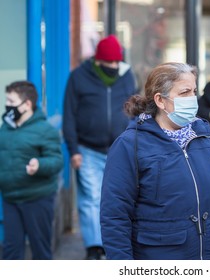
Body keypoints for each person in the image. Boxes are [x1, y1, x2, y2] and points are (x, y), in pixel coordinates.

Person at [100, 62, 210, 260]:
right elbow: (115, 218)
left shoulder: (208, 136)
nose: (192, 99)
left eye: (194, 91)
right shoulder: (130, 145)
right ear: (160, 100)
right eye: (184, 93)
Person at [62, 34, 138, 260]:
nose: (114, 66)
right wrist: (73, 149)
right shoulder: (78, 77)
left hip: (120, 149)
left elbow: (134, 110)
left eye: (117, 62)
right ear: (98, 61)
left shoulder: (126, 75)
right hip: (87, 149)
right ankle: (95, 248)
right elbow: (69, 115)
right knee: (91, 199)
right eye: (110, 62)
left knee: (119, 198)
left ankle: (114, 245)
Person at [0, 81, 63, 259]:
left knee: (40, 250)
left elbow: (56, 161)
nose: (8, 106)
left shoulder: (45, 130)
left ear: (27, 104)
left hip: (37, 199)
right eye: (7, 101)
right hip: (10, 198)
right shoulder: (5, 127)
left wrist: (39, 165)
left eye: (12, 102)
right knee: (11, 251)